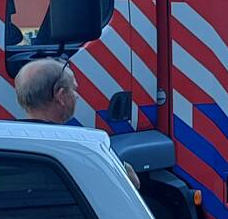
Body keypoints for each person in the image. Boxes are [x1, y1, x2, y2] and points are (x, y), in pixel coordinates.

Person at [14, 58, 141, 189]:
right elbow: (132, 183)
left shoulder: (6, 141)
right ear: (60, 96)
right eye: (73, 89)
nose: (76, 96)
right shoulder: (83, 146)